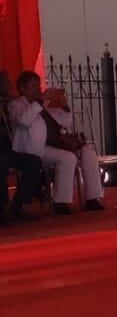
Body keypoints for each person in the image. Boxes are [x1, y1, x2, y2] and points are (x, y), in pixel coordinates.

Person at [7, 72, 104, 214]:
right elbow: (24, 120)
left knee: (88, 151)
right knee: (67, 158)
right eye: (33, 85)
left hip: (56, 143)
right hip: (34, 150)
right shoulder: (16, 105)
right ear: (23, 88)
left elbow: (65, 122)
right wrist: (39, 102)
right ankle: (61, 202)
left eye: (38, 84)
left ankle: (93, 198)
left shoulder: (44, 104)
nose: (38, 88)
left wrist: (64, 106)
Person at [0, 71, 42, 224]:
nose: (10, 86)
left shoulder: (10, 103)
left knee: (33, 161)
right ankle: (2, 210)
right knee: (1, 164)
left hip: (8, 150)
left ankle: (17, 205)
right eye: (6, 83)